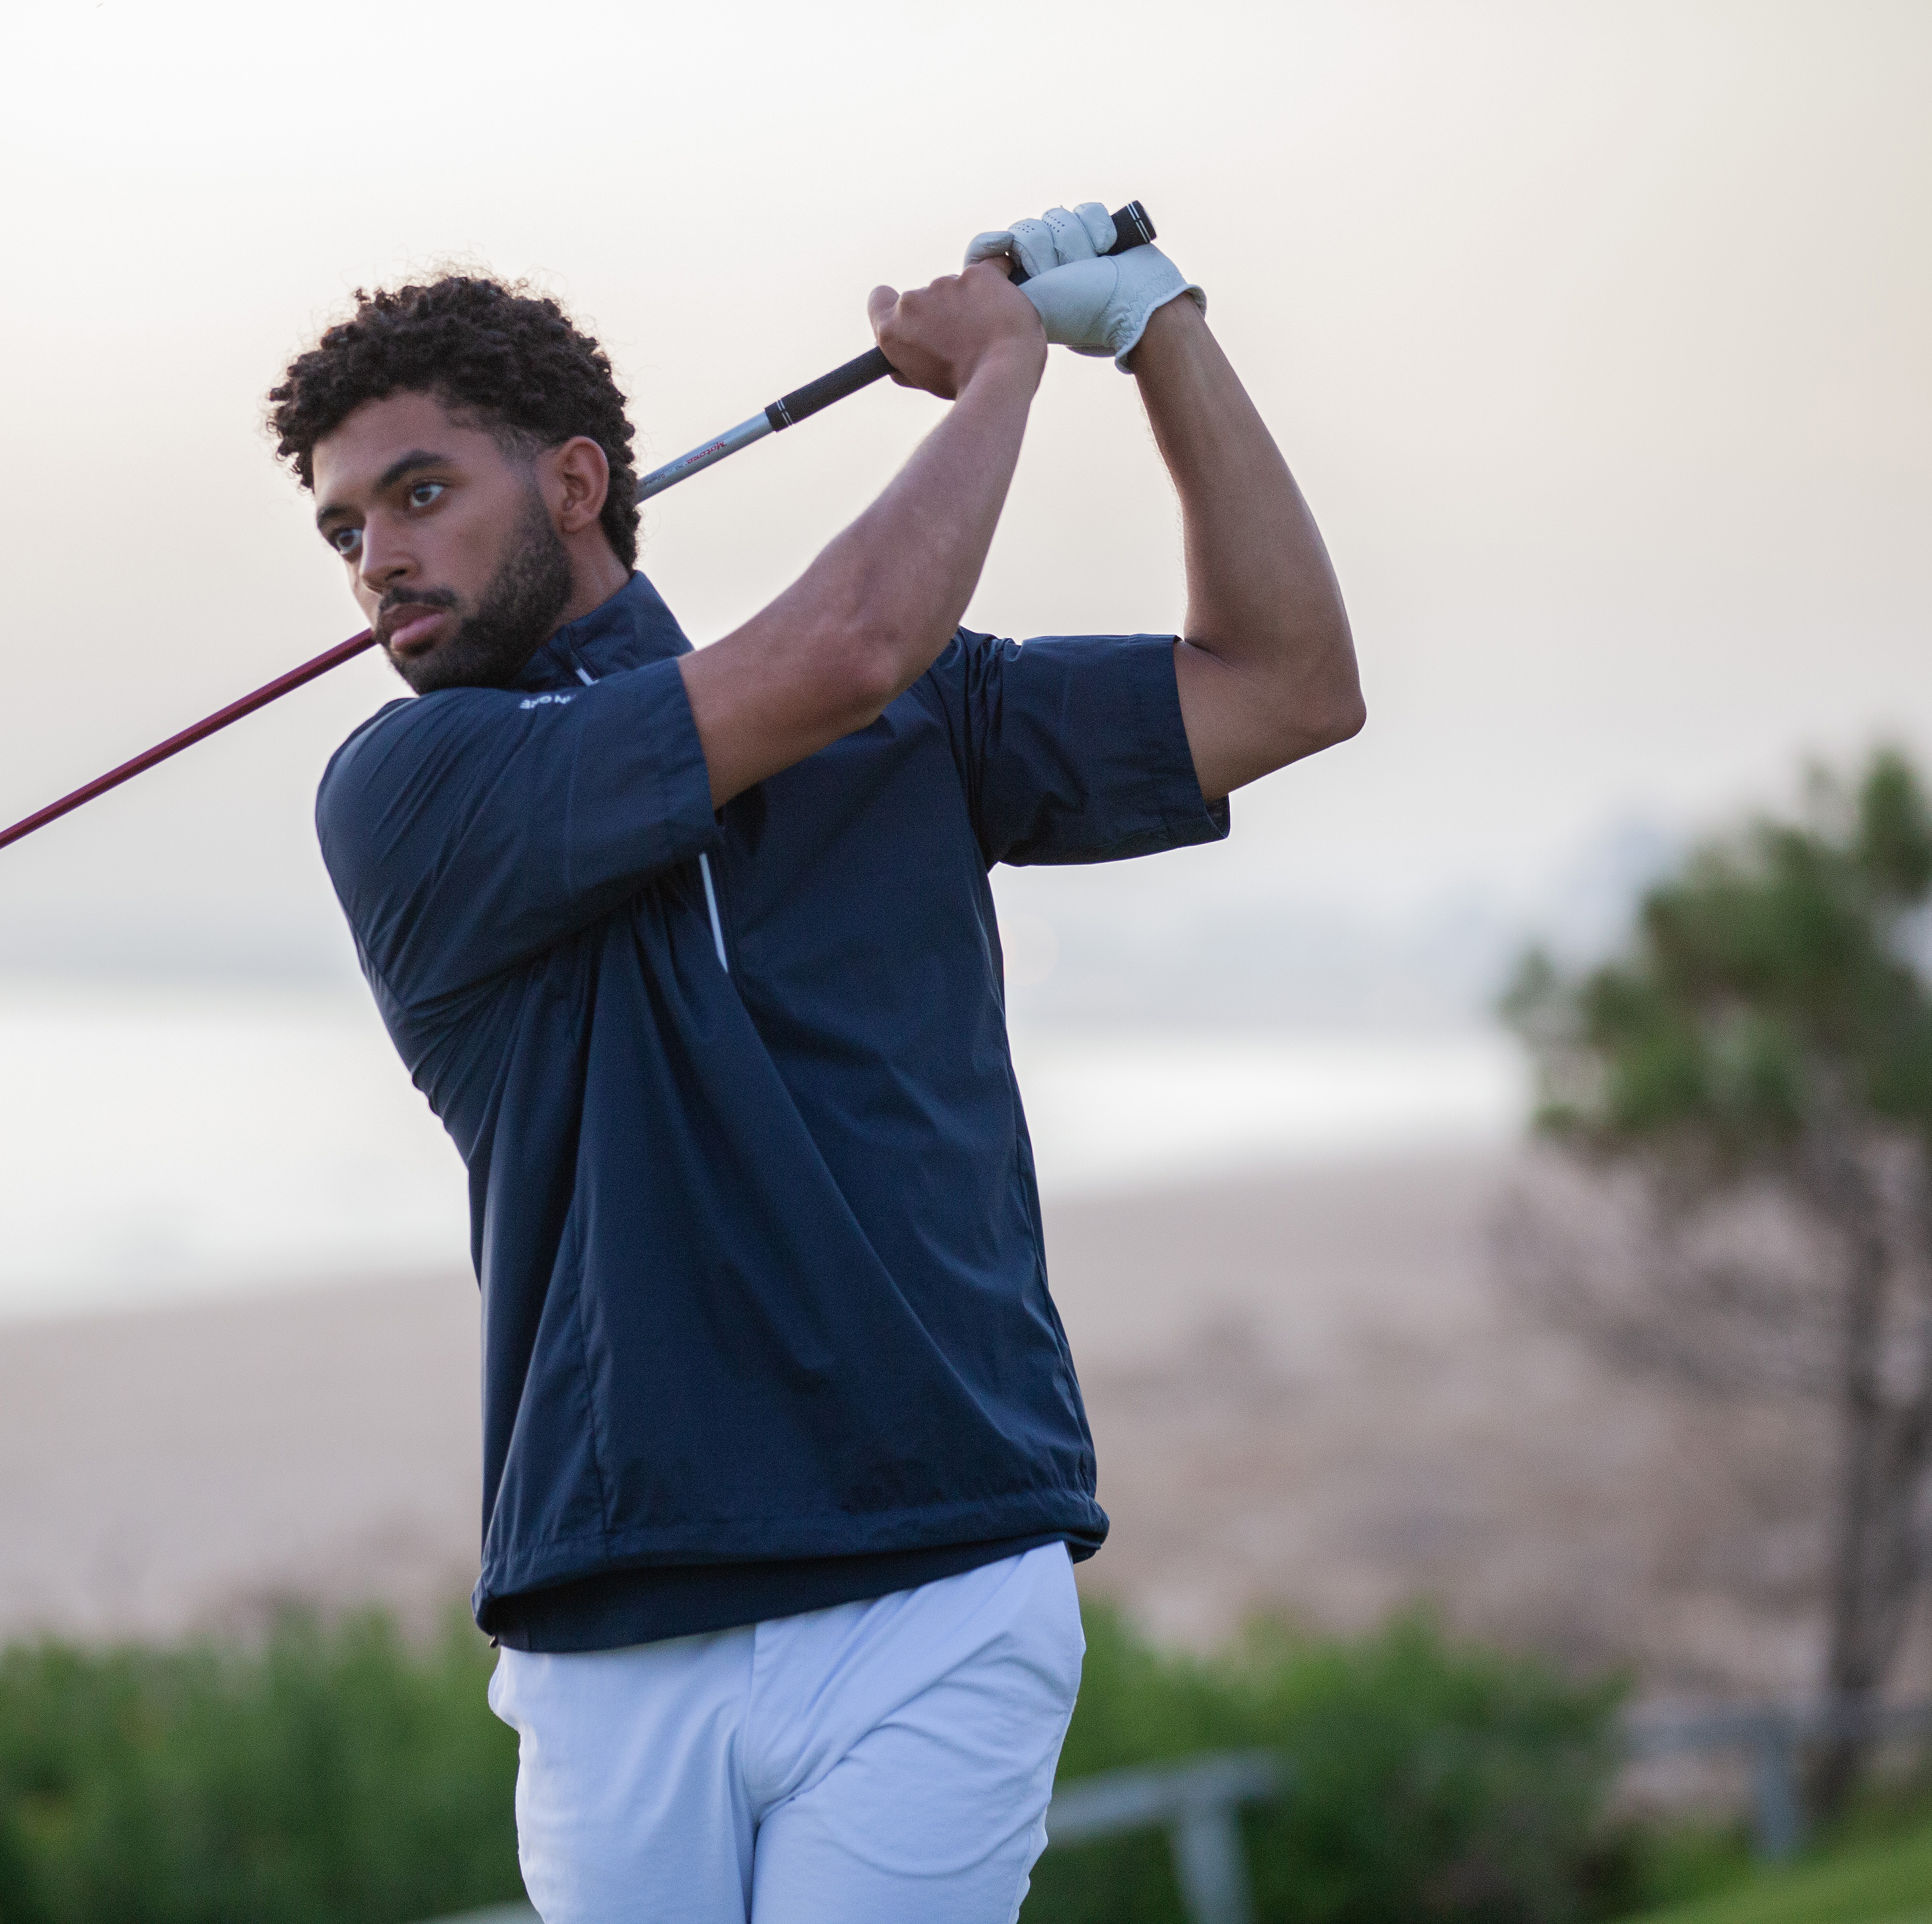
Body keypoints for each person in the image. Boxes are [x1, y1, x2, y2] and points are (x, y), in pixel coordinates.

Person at [264, 204, 1360, 1923]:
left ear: (572, 484)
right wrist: (1002, 367)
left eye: (418, 496)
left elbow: (1291, 685)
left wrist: (1160, 331)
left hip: (939, 1569)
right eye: (342, 529)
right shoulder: (409, 793)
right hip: (613, 1612)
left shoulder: (928, 717)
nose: (377, 561)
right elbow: (843, 645)